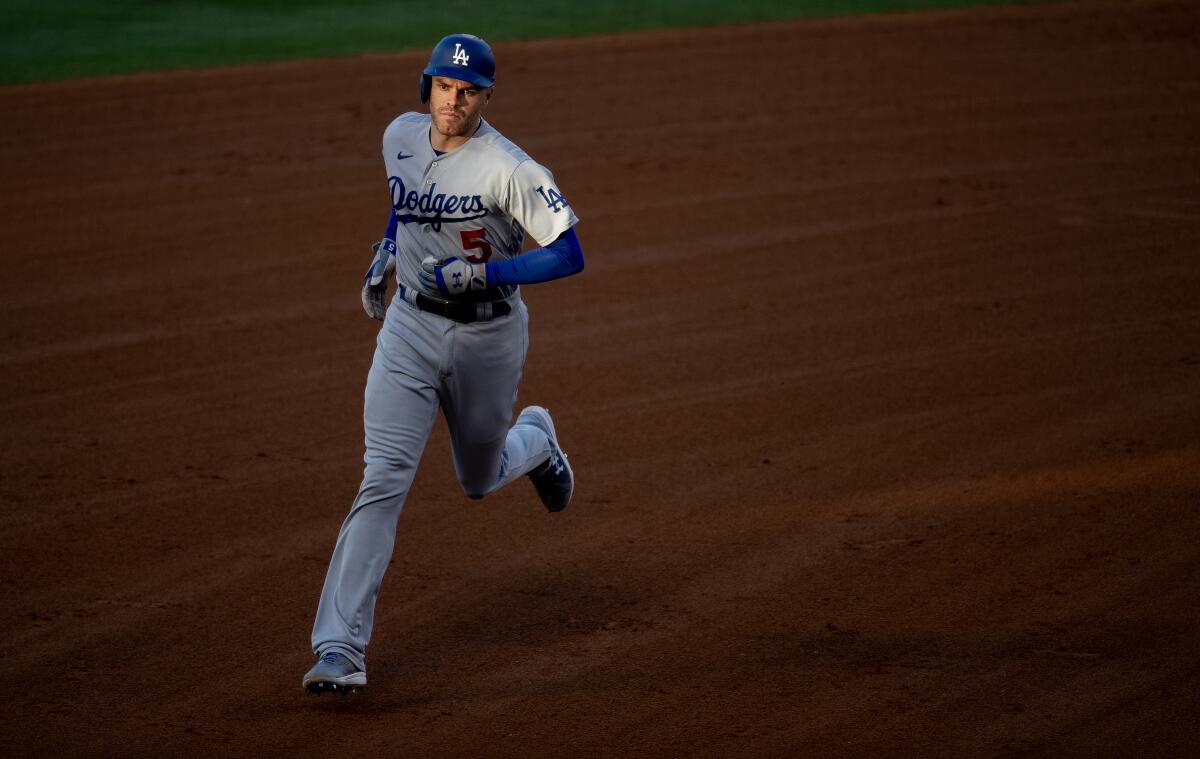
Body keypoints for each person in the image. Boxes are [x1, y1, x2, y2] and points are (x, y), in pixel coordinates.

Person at [302, 33, 584, 694]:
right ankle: (340, 647)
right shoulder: (399, 135)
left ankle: (537, 440)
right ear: (424, 84)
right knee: (383, 477)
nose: (452, 100)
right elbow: (406, 202)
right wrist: (385, 251)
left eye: (467, 90)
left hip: (488, 338)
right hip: (409, 328)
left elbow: (568, 251)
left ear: (486, 95)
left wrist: (486, 272)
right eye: (443, 86)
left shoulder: (511, 168)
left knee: (479, 478)